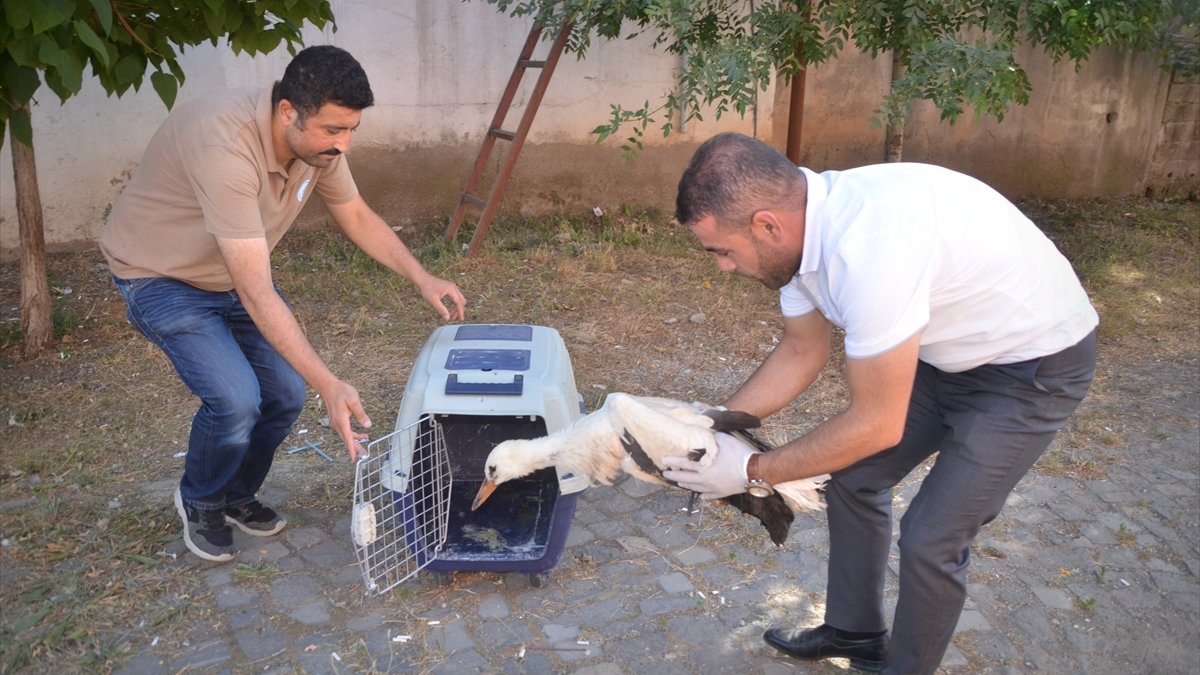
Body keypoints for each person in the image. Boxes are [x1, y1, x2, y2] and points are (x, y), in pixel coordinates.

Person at [662, 132, 1097, 674]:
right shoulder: (799, 244)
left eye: (723, 251)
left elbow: (877, 423)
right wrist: (714, 427)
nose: (723, 266)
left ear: (766, 224)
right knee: (851, 479)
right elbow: (801, 351)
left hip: (1030, 370)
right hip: (946, 357)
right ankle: (857, 633)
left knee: (931, 538)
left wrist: (752, 469)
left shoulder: (869, 247)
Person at [99, 45, 466, 563]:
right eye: (333, 130)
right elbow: (255, 290)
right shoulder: (226, 146)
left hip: (228, 275)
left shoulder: (316, 147)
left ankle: (233, 495)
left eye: (351, 130)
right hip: (160, 277)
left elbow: (354, 213)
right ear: (288, 112)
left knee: (285, 393)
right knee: (235, 399)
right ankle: (200, 500)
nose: (344, 144)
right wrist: (331, 385)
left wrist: (422, 276)